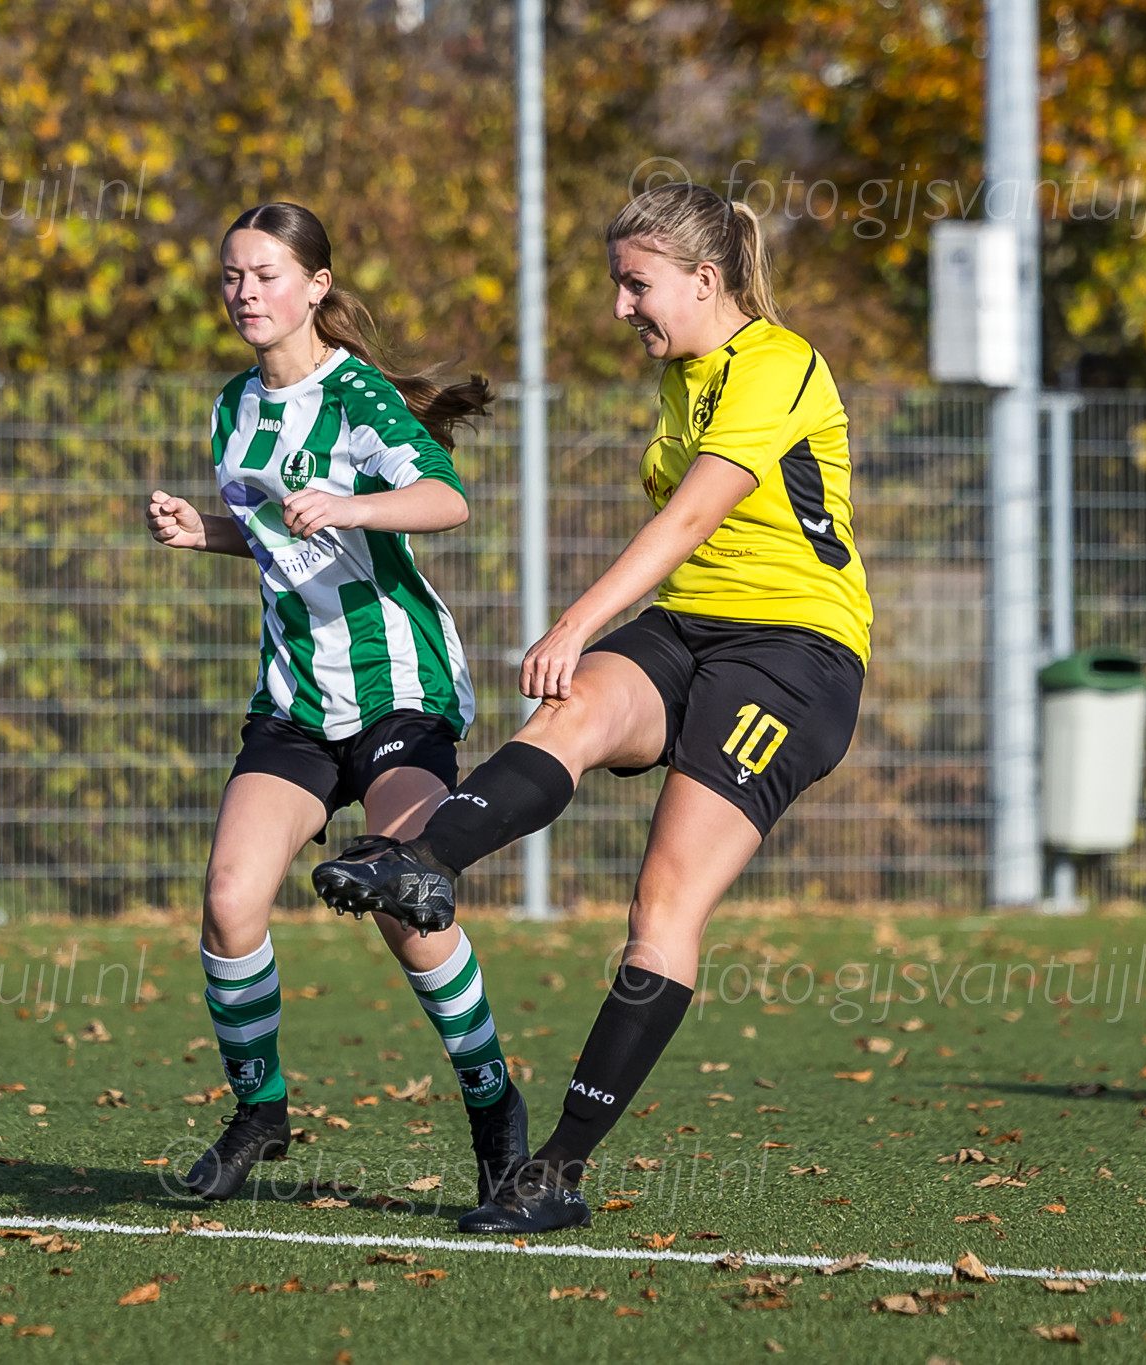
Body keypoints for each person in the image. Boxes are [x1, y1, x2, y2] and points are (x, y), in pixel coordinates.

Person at [312, 182, 871, 1233]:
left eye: (635, 284)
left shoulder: (778, 362)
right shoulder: (686, 371)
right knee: (567, 716)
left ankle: (555, 1170)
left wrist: (574, 620)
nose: (620, 307)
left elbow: (693, 517)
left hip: (795, 656)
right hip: (691, 629)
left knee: (662, 905)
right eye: (618, 284)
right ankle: (422, 866)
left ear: (704, 279)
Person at [145, 202, 529, 1208]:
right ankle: (258, 1112)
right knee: (230, 900)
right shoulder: (232, 406)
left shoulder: (357, 396)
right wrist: (203, 532)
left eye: (266, 274)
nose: (245, 292)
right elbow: (274, 534)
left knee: (407, 900)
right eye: (232, 275)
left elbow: (446, 499)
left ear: (315, 286)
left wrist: (353, 503)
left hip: (399, 687)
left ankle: (494, 1109)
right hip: (294, 699)